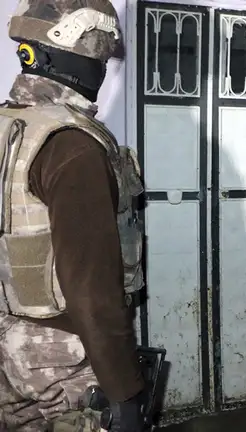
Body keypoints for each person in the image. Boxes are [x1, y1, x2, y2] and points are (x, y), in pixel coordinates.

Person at [0, 1, 147, 431]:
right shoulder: (72, 145)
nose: (102, 70)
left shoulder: (10, 125)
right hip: (63, 355)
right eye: (99, 57)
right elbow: (91, 290)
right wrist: (124, 391)